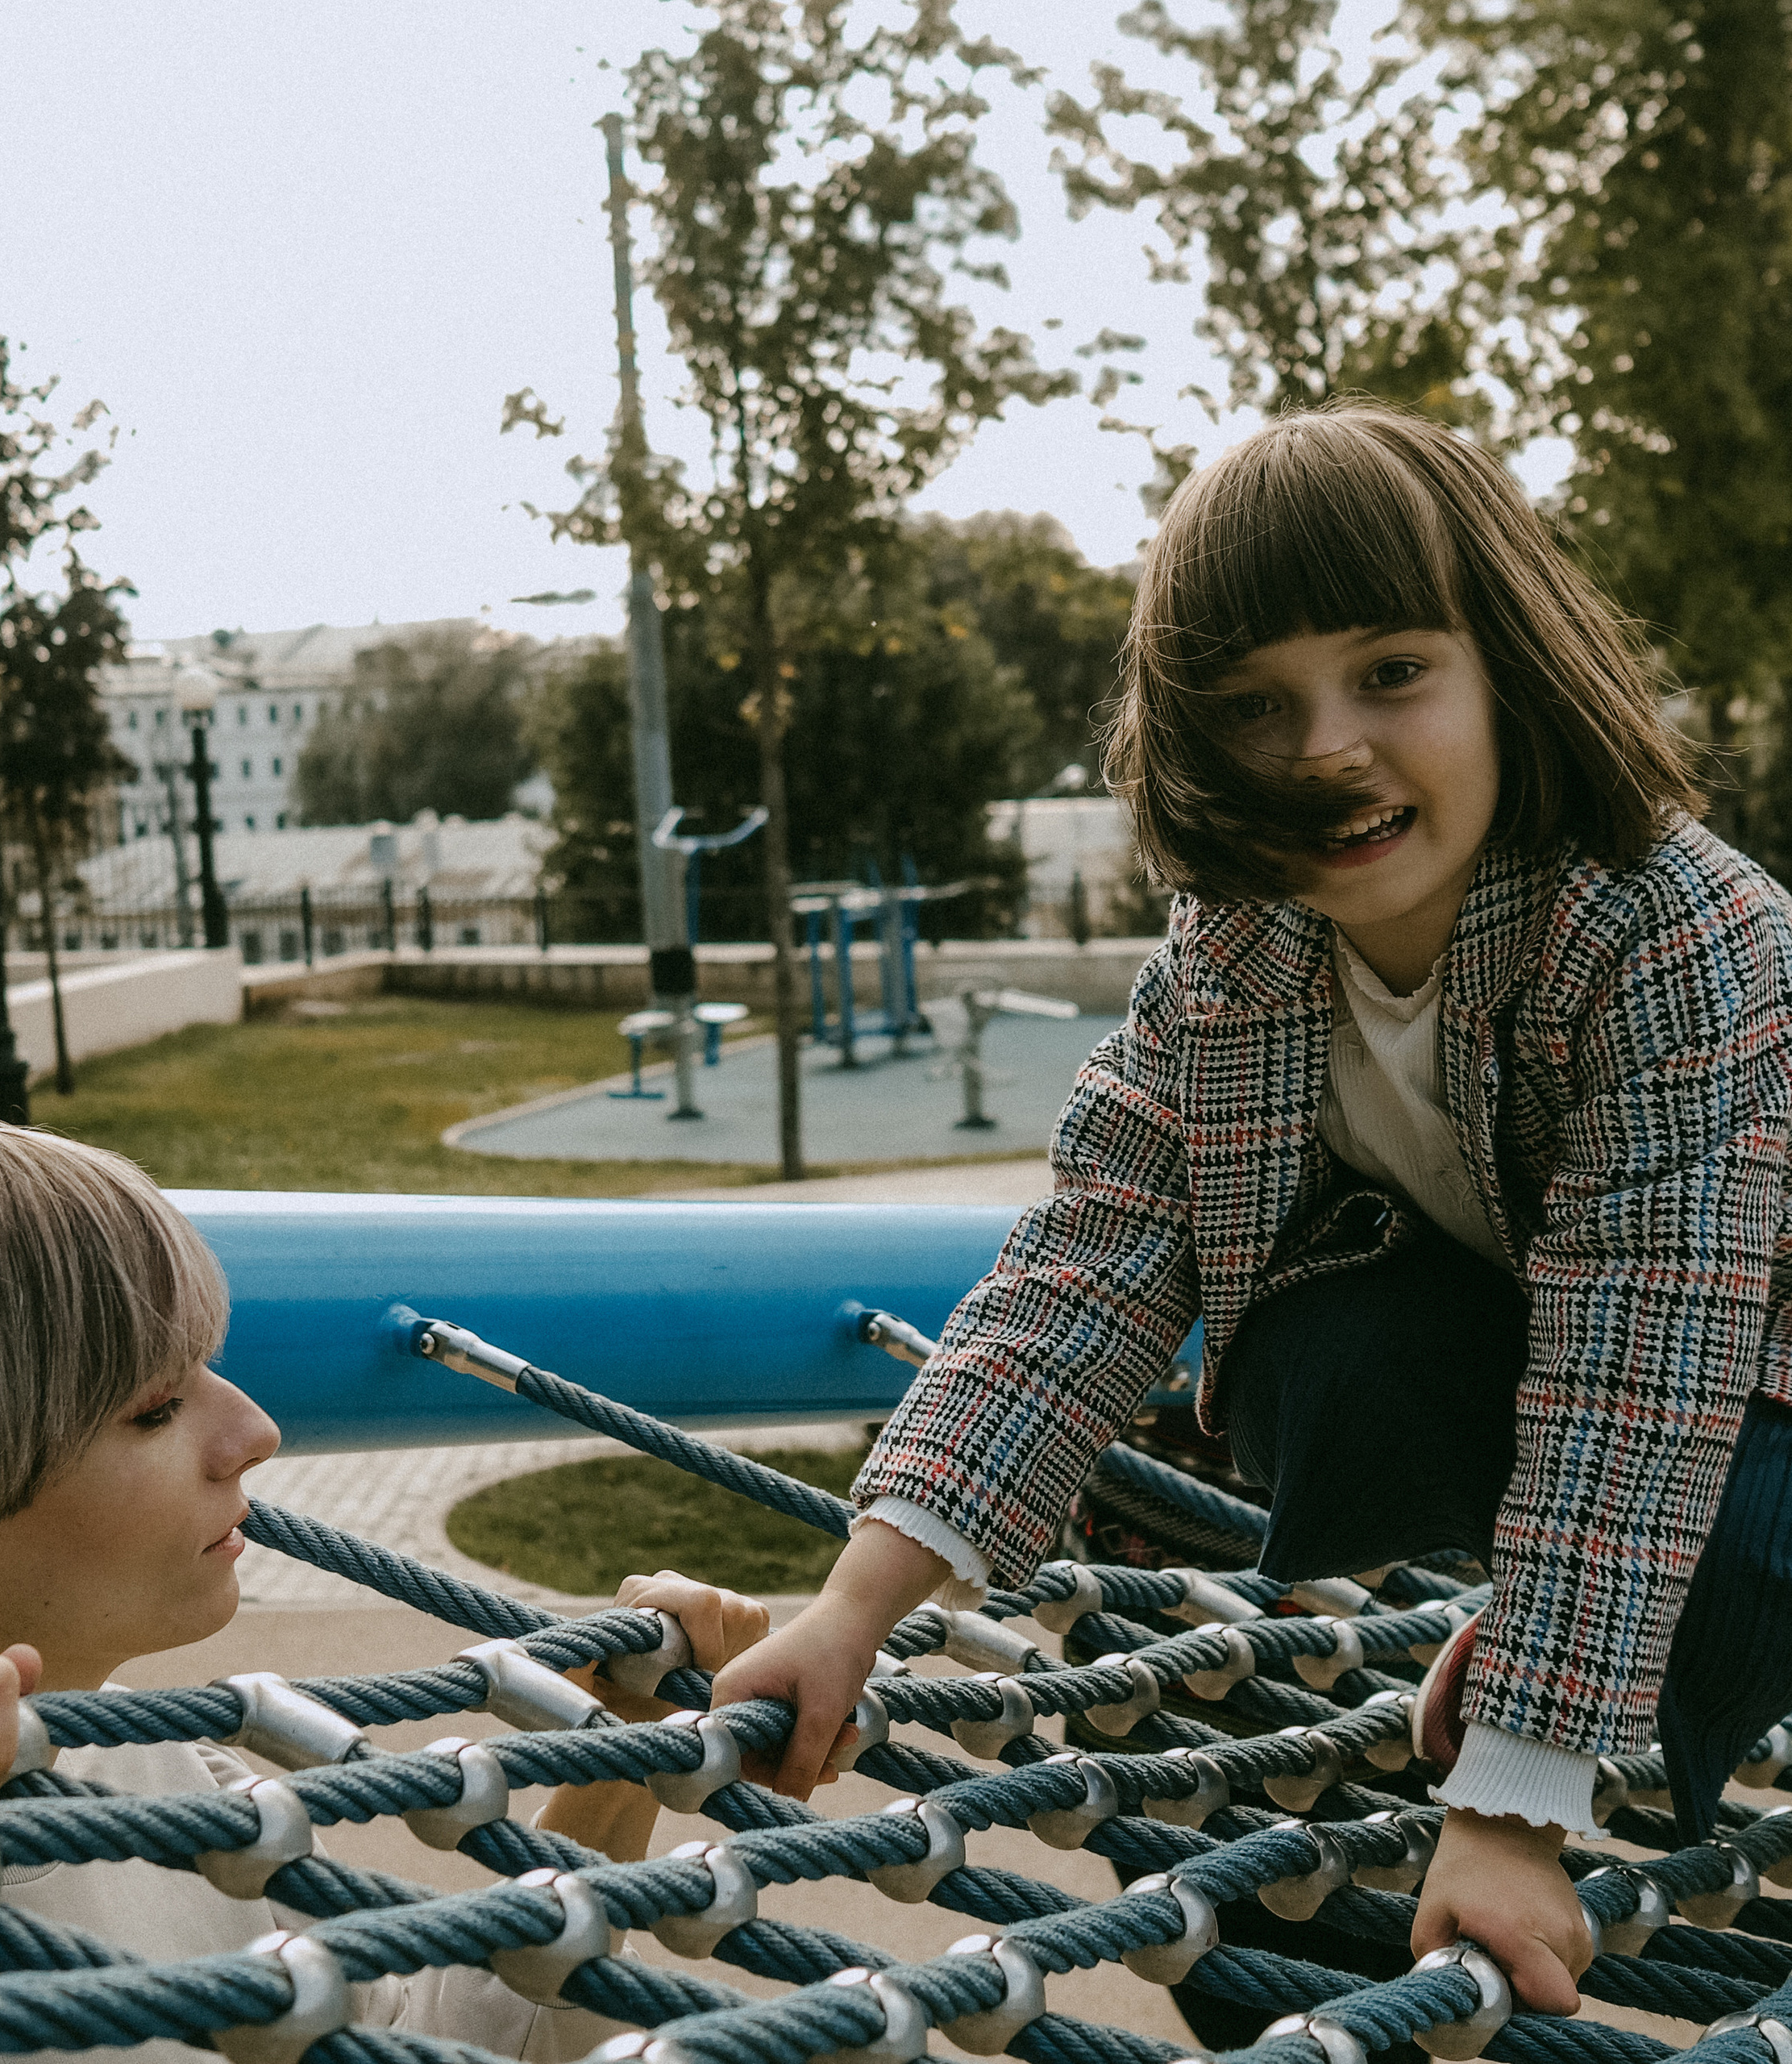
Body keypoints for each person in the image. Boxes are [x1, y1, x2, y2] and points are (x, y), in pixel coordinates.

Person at [713, 397, 1792, 2019]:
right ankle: (1499, 1720)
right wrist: (848, 1610)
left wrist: (1508, 1803)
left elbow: (1644, 1369)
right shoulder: (1234, 956)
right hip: (1598, 1376)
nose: (1323, 748)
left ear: (1502, 659)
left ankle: (1576, 1724)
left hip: (1742, 1388)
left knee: (1718, 1547)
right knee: (1312, 1355)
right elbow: (1079, 1266)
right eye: (1251, 705)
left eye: (1388, 672)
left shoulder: (1666, 928)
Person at [0, 1113, 768, 2062]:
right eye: (156, 1407)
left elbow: (427, 2046)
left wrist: (617, 1759)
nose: (256, 1434)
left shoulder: (189, 1794)